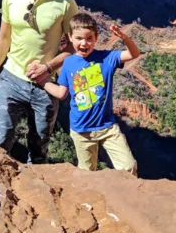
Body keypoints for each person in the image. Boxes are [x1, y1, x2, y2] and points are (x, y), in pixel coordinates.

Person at [0, 0, 78, 163]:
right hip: (11, 79)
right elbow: (3, 38)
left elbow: (74, 47)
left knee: (38, 153)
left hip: (46, 85)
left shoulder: (65, 1)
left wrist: (48, 68)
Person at [37, 11, 140, 173]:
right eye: (79, 38)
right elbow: (61, 92)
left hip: (107, 127)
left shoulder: (107, 58)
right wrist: (42, 81)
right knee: (87, 171)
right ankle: (88, 199)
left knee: (128, 166)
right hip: (81, 130)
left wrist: (124, 37)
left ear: (96, 38)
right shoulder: (68, 63)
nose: (84, 43)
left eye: (89, 38)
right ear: (70, 37)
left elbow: (134, 54)